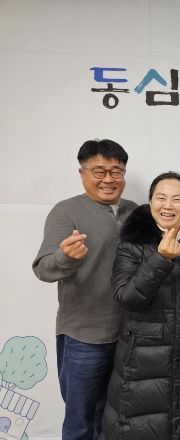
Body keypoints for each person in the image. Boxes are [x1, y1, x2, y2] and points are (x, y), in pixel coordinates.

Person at [99, 172, 180, 440]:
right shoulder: (132, 243)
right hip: (141, 361)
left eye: (177, 199)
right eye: (161, 198)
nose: (168, 206)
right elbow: (126, 298)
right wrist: (160, 260)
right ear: (150, 202)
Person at [32, 139, 136, 440]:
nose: (108, 179)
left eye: (116, 171)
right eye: (99, 171)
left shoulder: (137, 212)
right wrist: (65, 257)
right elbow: (43, 268)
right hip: (84, 337)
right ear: (82, 173)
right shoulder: (66, 212)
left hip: (130, 336)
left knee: (118, 420)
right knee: (81, 421)